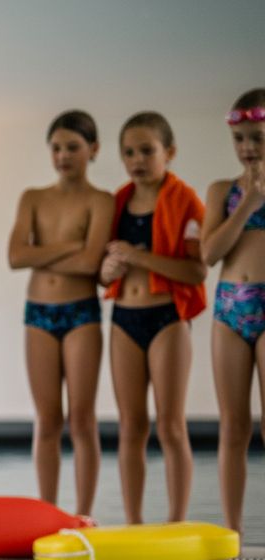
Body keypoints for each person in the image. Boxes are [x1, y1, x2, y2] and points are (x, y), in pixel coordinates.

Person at [99, 112, 207, 524]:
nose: (137, 160)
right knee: (130, 427)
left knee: (171, 426)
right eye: (129, 152)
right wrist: (108, 271)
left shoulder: (187, 202)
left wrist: (139, 256)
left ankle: (177, 521)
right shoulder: (118, 202)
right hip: (124, 318)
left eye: (147, 150)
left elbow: (196, 271)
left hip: (168, 318)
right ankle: (134, 522)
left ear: (170, 153)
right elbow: (104, 267)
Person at [7, 111, 114, 519]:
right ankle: (47, 512)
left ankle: (82, 514)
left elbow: (91, 265)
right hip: (39, 314)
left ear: (93, 150)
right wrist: (72, 245)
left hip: (81, 313)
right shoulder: (33, 197)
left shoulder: (100, 201)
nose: (63, 156)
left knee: (82, 419)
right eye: (56, 148)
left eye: (73, 147)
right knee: (47, 419)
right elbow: (16, 256)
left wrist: (44, 255)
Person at [203, 88, 265, 533]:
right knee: (233, 426)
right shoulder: (222, 191)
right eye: (240, 139)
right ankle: (232, 532)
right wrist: (247, 206)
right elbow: (210, 253)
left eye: (257, 138)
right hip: (229, 309)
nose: (247, 148)